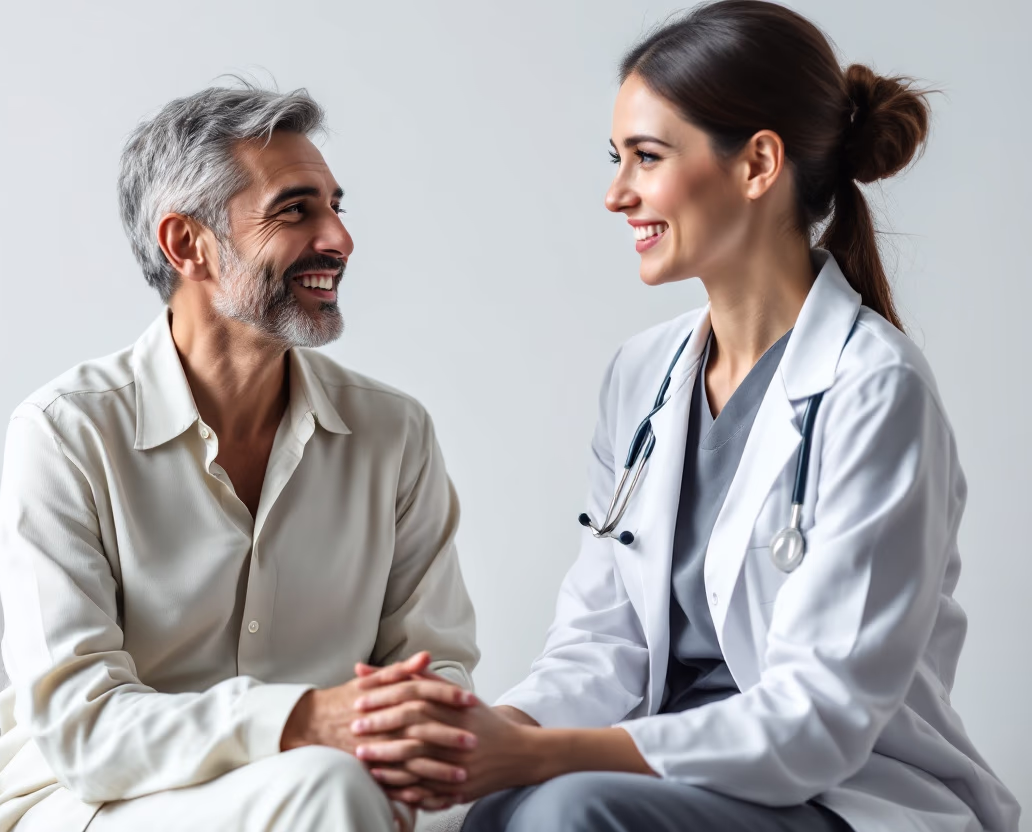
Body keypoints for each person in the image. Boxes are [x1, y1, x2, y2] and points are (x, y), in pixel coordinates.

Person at [346, 3, 1022, 830]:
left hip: (836, 793)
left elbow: (818, 721)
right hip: (665, 771)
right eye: (616, 157)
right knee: (488, 810)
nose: (615, 193)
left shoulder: (875, 391)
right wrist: (494, 734)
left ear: (757, 164)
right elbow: (604, 640)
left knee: (568, 810)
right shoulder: (643, 379)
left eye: (648, 157)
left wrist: (543, 756)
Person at [0, 82, 480, 832]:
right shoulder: (65, 433)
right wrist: (300, 721)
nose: (339, 239)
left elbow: (437, 666)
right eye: (296, 210)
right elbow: (82, 730)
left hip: (322, 793)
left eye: (335, 205)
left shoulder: (395, 433)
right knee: (327, 788)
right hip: (82, 802)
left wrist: (402, 733)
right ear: (186, 243)